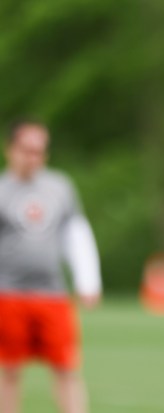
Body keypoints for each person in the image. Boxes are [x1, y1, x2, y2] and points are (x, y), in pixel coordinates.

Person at [0, 121, 102, 413]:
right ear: (11, 150)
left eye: (39, 151)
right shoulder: (2, 189)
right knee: (9, 370)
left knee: (66, 367)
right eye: (27, 150)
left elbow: (76, 233)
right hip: (8, 293)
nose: (33, 157)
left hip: (52, 293)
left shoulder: (59, 186)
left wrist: (88, 282)